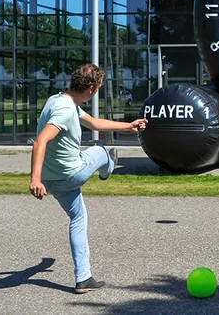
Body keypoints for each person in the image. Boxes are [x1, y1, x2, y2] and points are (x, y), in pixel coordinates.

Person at [29, 63, 148, 294]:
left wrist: (129, 126)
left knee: (78, 217)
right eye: (100, 88)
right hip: (71, 173)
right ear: (92, 88)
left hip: (54, 180)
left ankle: (83, 278)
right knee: (102, 151)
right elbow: (41, 141)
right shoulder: (65, 110)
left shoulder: (59, 100)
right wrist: (34, 180)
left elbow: (93, 122)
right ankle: (107, 168)